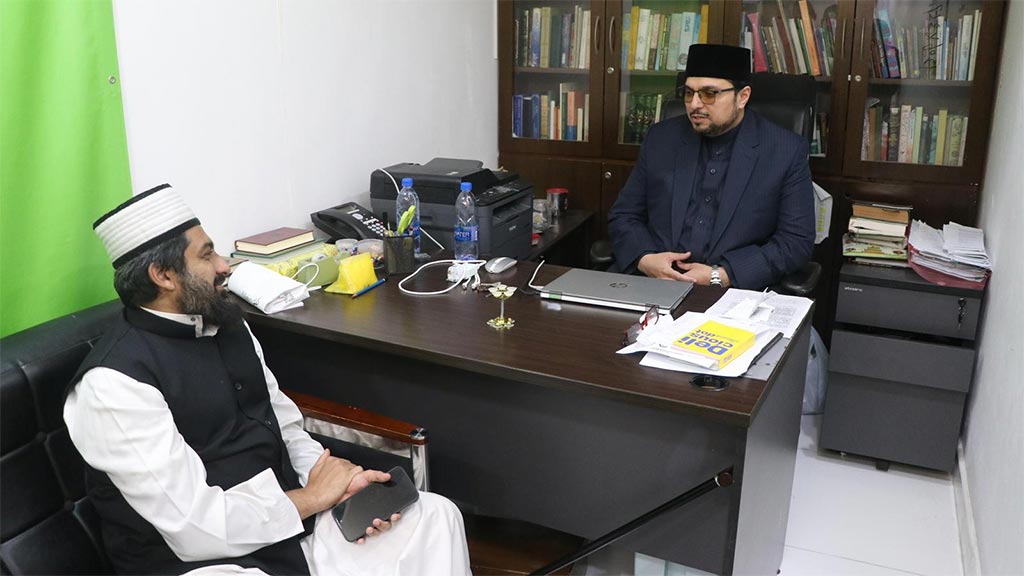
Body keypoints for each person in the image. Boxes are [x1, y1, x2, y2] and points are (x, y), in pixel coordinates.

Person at [64, 184, 472, 575]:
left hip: (291, 522)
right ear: (164, 276)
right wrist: (312, 498)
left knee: (434, 516)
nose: (224, 265)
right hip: (200, 562)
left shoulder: (226, 324)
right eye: (207, 256)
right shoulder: (112, 384)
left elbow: (286, 428)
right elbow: (195, 528)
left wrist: (342, 481)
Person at [608, 44, 815, 291]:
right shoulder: (662, 138)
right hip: (655, 283)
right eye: (688, 93)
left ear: (743, 97)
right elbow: (625, 215)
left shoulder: (785, 150)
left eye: (709, 94)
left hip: (734, 292)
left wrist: (722, 275)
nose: (695, 104)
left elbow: (795, 242)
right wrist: (645, 259)